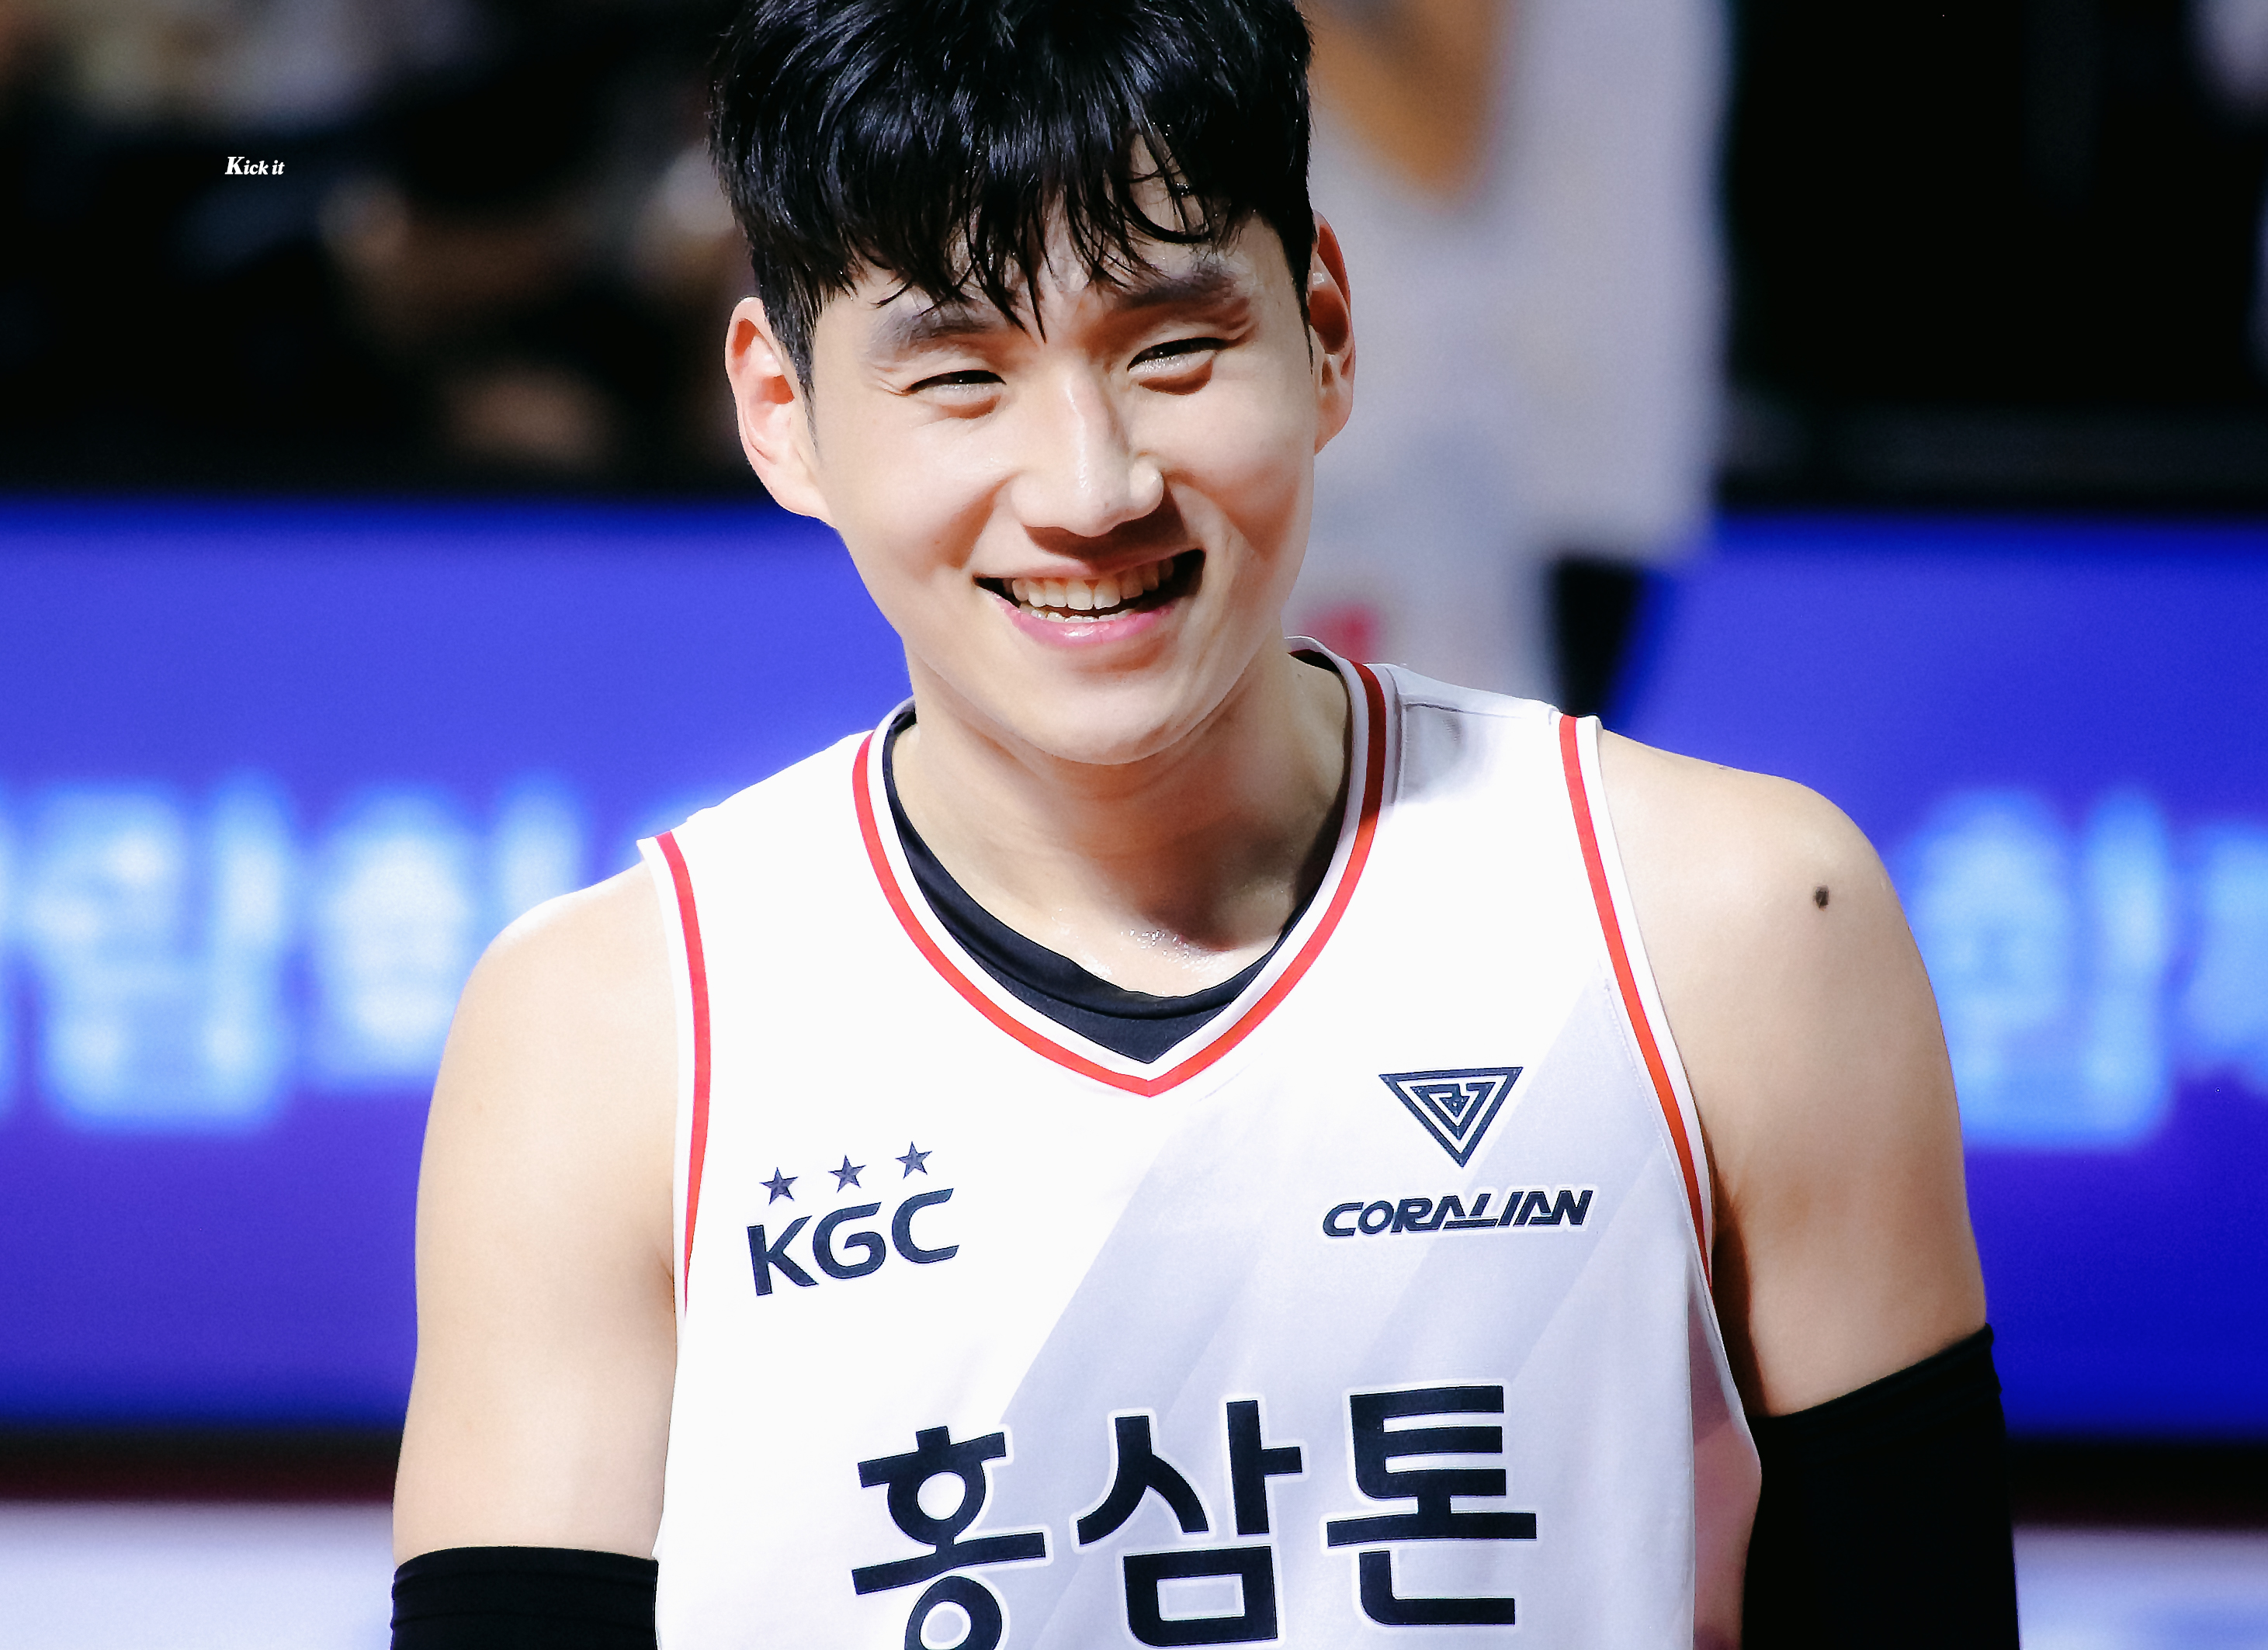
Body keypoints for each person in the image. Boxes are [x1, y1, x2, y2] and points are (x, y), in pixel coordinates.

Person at [388, 2, 2018, 1645]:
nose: (1090, 488)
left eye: (1170, 352)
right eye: (961, 378)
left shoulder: (1739, 925)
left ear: (1327, 332)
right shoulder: (605, 1041)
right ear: (778, 410)